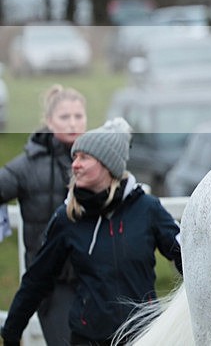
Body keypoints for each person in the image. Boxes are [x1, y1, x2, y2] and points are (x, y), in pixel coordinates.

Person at [0, 118, 182, 346]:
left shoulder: (147, 209)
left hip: (143, 336)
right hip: (88, 338)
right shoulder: (67, 218)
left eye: (84, 157)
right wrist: (12, 331)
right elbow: (37, 279)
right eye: (74, 157)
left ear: (108, 165)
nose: (75, 164)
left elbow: (186, 254)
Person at [0, 85, 88, 345]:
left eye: (78, 116)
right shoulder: (28, 165)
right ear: (49, 121)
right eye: (64, 117)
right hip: (52, 283)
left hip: (94, 276)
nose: (72, 122)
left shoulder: (98, 162)